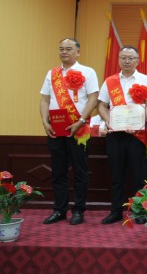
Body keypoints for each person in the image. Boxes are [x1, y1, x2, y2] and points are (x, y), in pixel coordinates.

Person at [39, 38, 99, 225]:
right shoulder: (52, 74)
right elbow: (44, 100)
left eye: (68, 49)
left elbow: (93, 99)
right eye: (61, 49)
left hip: (79, 129)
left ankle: (78, 210)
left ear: (78, 52)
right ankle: (59, 210)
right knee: (58, 171)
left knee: (80, 171)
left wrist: (81, 121)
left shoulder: (88, 72)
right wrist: (45, 122)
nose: (64, 52)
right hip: (56, 129)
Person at [97, 46, 147, 225]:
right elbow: (101, 105)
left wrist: (139, 122)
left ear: (137, 60)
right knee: (116, 174)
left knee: (139, 175)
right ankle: (116, 211)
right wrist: (109, 121)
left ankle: (140, 211)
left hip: (137, 134)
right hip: (115, 133)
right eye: (123, 57)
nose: (127, 61)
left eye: (131, 58)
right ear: (119, 60)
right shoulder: (110, 81)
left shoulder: (146, 80)